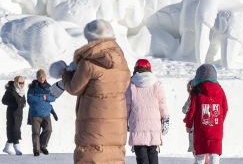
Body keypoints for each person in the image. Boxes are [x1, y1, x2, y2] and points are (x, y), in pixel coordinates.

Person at [59, 19, 130, 164]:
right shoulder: (121, 61)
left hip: (93, 127)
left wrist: (65, 73)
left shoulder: (88, 63)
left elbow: (74, 88)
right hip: (117, 125)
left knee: (91, 157)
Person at [125, 58, 169, 164]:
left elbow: (126, 106)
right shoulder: (157, 84)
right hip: (154, 127)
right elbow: (162, 105)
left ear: (135, 69)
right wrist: (166, 120)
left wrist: (124, 122)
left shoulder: (131, 84)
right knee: (153, 156)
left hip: (137, 126)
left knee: (141, 159)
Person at [183, 64, 226, 164]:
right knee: (214, 156)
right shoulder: (220, 90)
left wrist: (188, 125)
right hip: (216, 131)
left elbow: (191, 110)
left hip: (200, 132)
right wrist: (219, 121)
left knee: (200, 158)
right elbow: (225, 108)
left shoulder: (197, 91)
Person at [27, 69, 56, 156]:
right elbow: (29, 99)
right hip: (35, 114)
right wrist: (41, 98)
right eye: (40, 76)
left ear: (45, 77)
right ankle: (36, 149)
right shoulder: (32, 87)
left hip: (46, 114)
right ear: (37, 77)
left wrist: (46, 97)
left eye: (43, 76)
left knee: (48, 130)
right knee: (36, 133)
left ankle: (42, 146)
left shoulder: (49, 87)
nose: (42, 78)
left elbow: (53, 98)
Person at [1, 75, 25, 155]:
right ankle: (17, 148)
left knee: (14, 130)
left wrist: (23, 104)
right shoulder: (11, 90)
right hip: (12, 114)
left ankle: (7, 148)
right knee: (15, 130)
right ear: (16, 82)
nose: (22, 84)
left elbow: (23, 100)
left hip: (19, 114)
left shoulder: (21, 91)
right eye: (20, 82)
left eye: (23, 83)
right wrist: (13, 104)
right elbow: (4, 101)